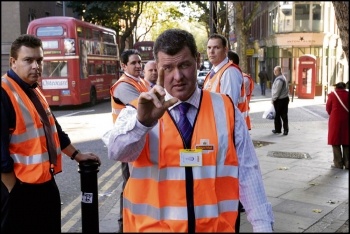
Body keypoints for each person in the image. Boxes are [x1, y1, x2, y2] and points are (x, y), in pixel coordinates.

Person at [105, 28, 274, 232]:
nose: (178, 76)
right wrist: (142, 124)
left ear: (197, 59)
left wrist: (263, 226)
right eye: (167, 68)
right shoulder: (139, 110)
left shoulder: (226, 109)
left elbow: (248, 172)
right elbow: (116, 152)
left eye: (184, 65)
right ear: (157, 67)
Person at [1, 34, 101, 233]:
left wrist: (76, 154)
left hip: (45, 183)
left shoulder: (33, 90)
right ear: (13, 61)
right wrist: (14, 191)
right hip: (21, 189)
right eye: (28, 60)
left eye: (39, 60)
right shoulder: (4, 92)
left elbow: (53, 129)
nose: (36, 66)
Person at [109, 48, 148, 233]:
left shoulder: (139, 81)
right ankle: (124, 226)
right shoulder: (123, 85)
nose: (138, 65)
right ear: (124, 65)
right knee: (129, 187)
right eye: (133, 63)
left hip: (137, 142)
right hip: (127, 145)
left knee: (136, 185)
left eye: (140, 62)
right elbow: (144, 106)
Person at [203, 34, 249, 129]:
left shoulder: (229, 72)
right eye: (209, 47)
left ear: (225, 50)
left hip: (226, 129)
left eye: (216, 47)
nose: (211, 51)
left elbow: (229, 106)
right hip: (216, 127)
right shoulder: (213, 73)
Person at [227, 50, 254, 130]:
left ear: (230, 62)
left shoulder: (242, 78)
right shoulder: (241, 77)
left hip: (238, 120)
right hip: (238, 119)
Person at [326, 82, 349, 169]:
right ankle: (347, 163)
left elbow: (328, 108)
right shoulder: (348, 95)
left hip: (335, 120)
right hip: (347, 120)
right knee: (347, 141)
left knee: (335, 141)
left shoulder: (332, 95)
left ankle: (338, 163)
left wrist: (333, 114)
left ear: (336, 87)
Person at [271, 66, 289, 135]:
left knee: (280, 115)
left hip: (280, 100)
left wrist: (273, 99)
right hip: (284, 99)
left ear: (279, 71)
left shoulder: (279, 79)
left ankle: (281, 130)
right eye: (274, 71)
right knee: (281, 115)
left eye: (275, 71)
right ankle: (281, 129)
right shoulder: (282, 77)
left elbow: (277, 91)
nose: (274, 72)